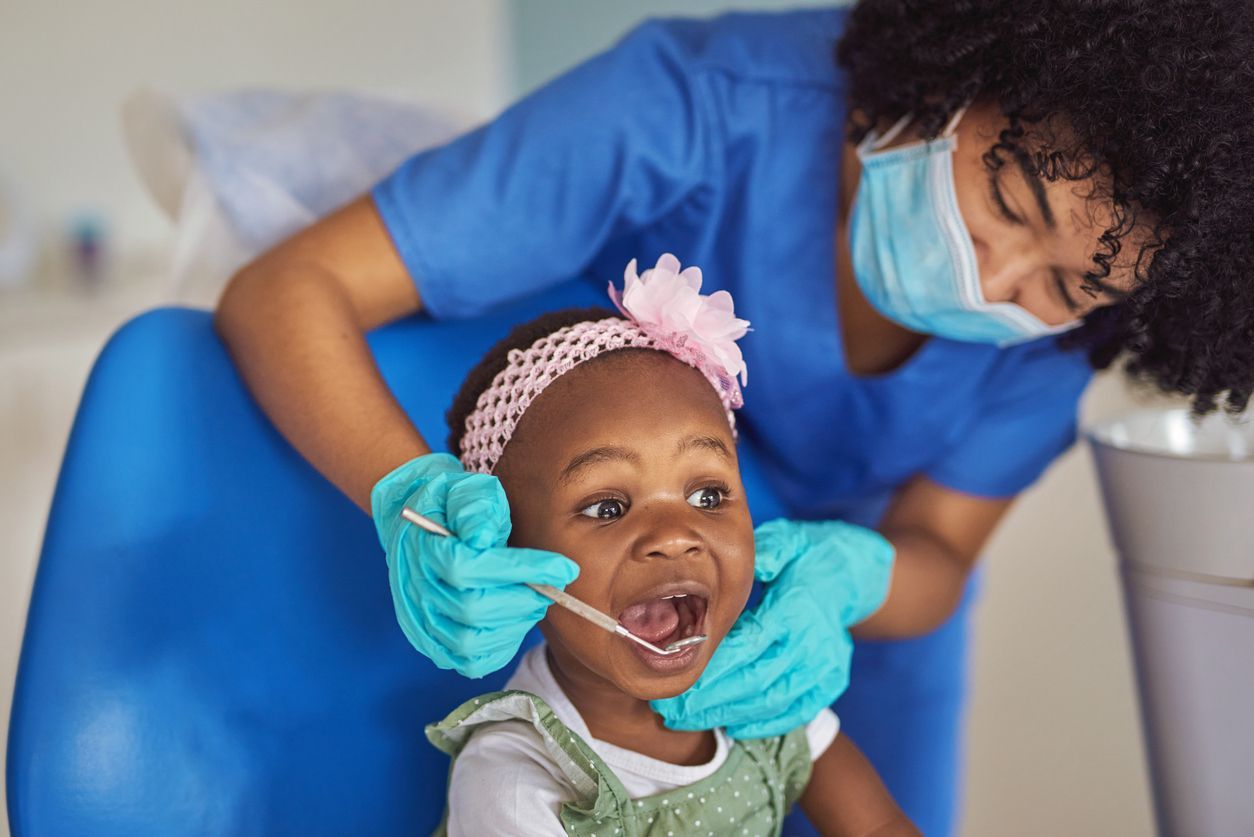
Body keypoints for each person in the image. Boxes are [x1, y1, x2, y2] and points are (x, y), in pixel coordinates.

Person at [214, 3, 1254, 833]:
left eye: (1070, 286)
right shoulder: (693, 110)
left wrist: (851, 581)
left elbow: (937, 546)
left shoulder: (1063, 335)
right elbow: (288, 292)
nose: (1000, 283)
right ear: (960, 63)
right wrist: (410, 497)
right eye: (1010, 202)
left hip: (837, 642)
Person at [411, 257, 913, 835]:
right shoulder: (518, 779)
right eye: (607, 508)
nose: (675, 535)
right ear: (509, 554)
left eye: (706, 495)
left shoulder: (767, 688)